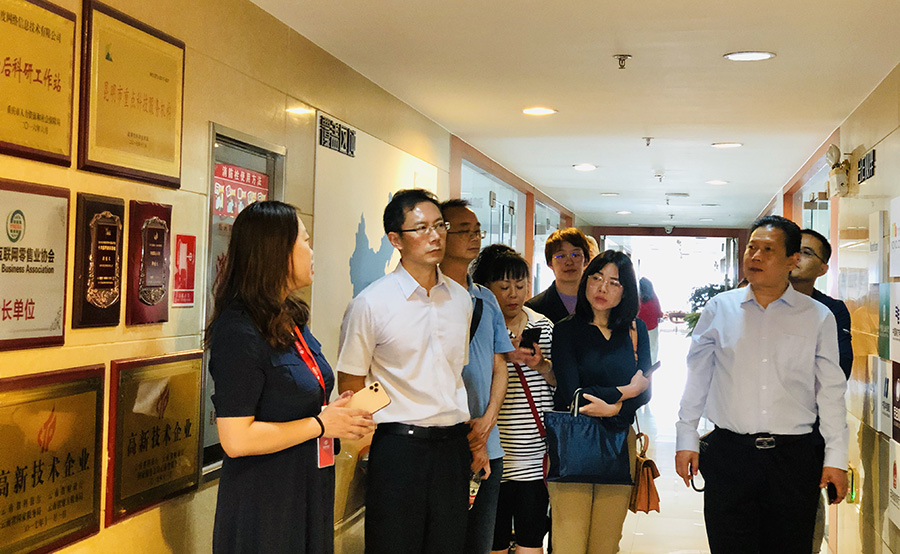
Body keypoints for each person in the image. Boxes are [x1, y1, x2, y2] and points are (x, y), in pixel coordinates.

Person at [206, 201, 375, 554]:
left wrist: (334, 414)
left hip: (309, 483)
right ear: (278, 251)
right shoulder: (238, 329)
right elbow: (236, 439)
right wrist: (321, 424)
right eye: (306, 241)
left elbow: (294, 400)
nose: (312, 252)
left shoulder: (289, 316)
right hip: (266, 499)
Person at [675, 215, 849, 554]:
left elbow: (831, 393)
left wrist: (835, 458)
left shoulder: (818, 316)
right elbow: (697, 376)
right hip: (730, 455)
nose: (755, 256)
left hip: (794, 459)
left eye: (768, 250)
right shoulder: (719, 309)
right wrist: (686, 437)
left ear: (792, 260)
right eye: (751, 247)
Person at [336, 189, 473, 554]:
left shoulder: (461, 299)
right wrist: (368, 443)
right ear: (396, 239)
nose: (435, 236)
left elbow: (454, 372)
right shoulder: (371, 303)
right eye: (421, 228)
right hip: (399, 447)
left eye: (440, 226)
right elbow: (351, 381)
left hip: (452, 447)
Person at [549, 250, 652, 554]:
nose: (602, 288)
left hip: (619, 441)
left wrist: (616, 408)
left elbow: (646, 389)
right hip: (574, 441)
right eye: (596, 278)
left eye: (614, 282)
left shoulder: (635, 330)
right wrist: (625, 391)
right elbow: (573, 392)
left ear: (626, 290)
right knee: (569, 541)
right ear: (586, 282)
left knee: (606, 542)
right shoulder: (566, 329)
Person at [439, 199, 515, 554]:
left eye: (477, 231)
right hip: (444, 441)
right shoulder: (428, 297)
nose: (474, 237)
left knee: (479, 541)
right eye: (464, 230)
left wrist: (487, 422)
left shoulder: (485, 298)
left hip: (488, 440)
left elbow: (500, 366)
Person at [471, 244, 555, 554]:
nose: (513, 295)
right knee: (492, 542)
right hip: (492, 452)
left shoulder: (542, 326)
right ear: (486, 288)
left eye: (520, 286)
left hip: (534, 455)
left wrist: (541, 364)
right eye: (504, 287)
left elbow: (558, 384)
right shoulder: (478, 326)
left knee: (530, 542)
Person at [788, 228, 853, 554]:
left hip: (806, 440)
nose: (797, 257)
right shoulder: (749, 302)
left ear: (824, 268)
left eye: (808, 253)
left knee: (801, 531)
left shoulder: (831, 311)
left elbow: (836, 374)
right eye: (794, 249)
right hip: (747, 440)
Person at [526, 228, 591, 324]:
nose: (569, 262)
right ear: (550, 263)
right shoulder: (534, 309)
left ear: (586, 260)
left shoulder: (599, 302)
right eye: (561, 256)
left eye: (575, 255)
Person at [637, 277, 664, 365]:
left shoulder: (637, 299)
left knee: (639, 349)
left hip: (639, 328)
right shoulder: (654, 298)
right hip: (652, 328)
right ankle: (650, 369)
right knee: (652, 350)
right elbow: (659, 314)